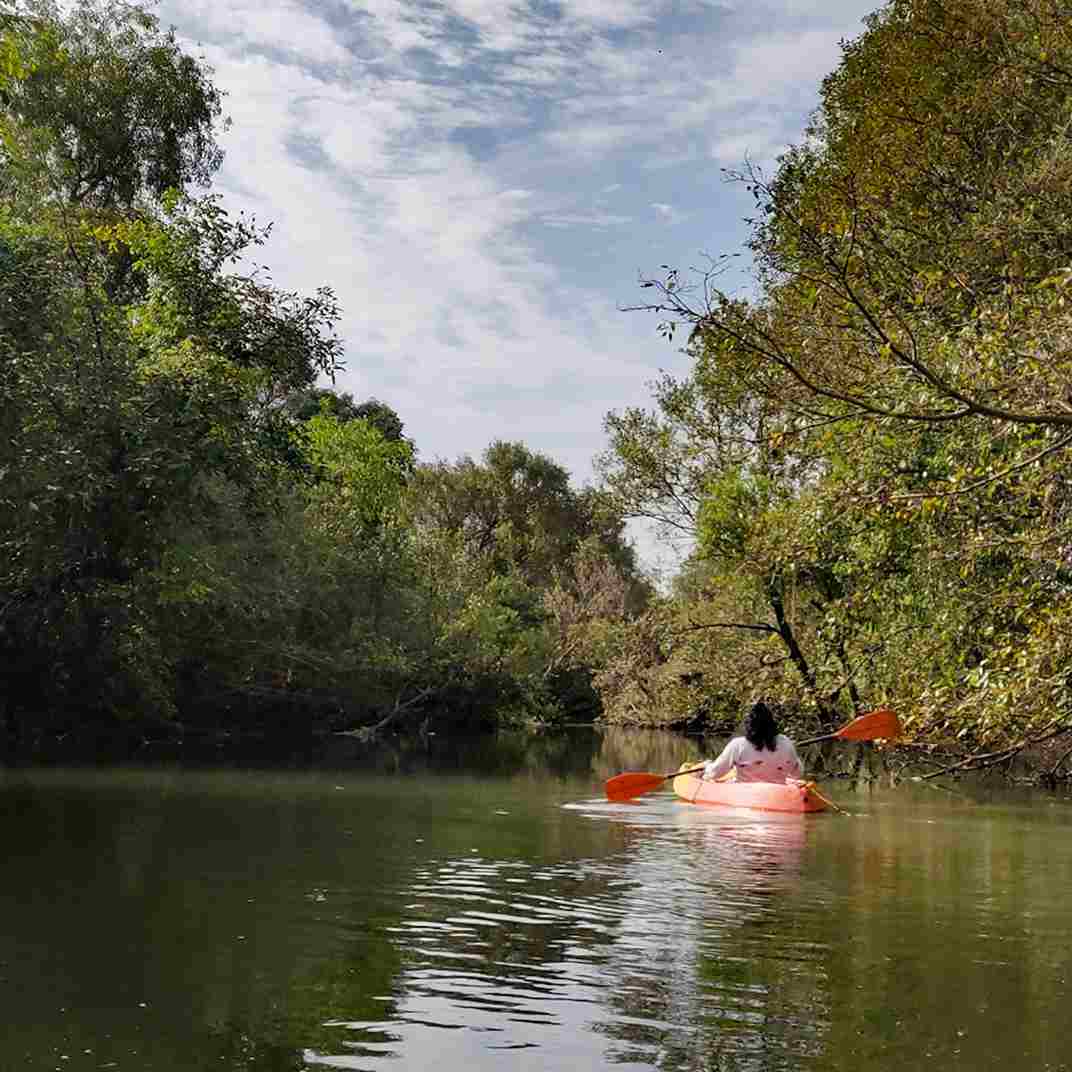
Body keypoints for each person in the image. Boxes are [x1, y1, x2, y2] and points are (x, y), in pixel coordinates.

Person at [702, 701, 802, 783]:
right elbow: (797, 774)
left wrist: (706, 767)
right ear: (771, 723)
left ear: (749, 724)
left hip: (747, 795)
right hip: (778, 794)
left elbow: (715, 773)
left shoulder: (738, 745)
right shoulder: (786, 743)